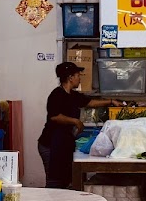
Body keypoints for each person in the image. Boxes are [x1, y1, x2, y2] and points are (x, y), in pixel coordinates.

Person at [37, 61, 125, 189]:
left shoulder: (73, 95)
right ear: (70, 77)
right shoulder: (56, 95)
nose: (80, 78)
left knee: (65, 179)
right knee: (54, 181)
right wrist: (75, 121)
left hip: (63, 143)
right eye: (78, 75)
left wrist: (111, 101)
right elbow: (54, 116)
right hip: (50, 144)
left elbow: (90, 102)